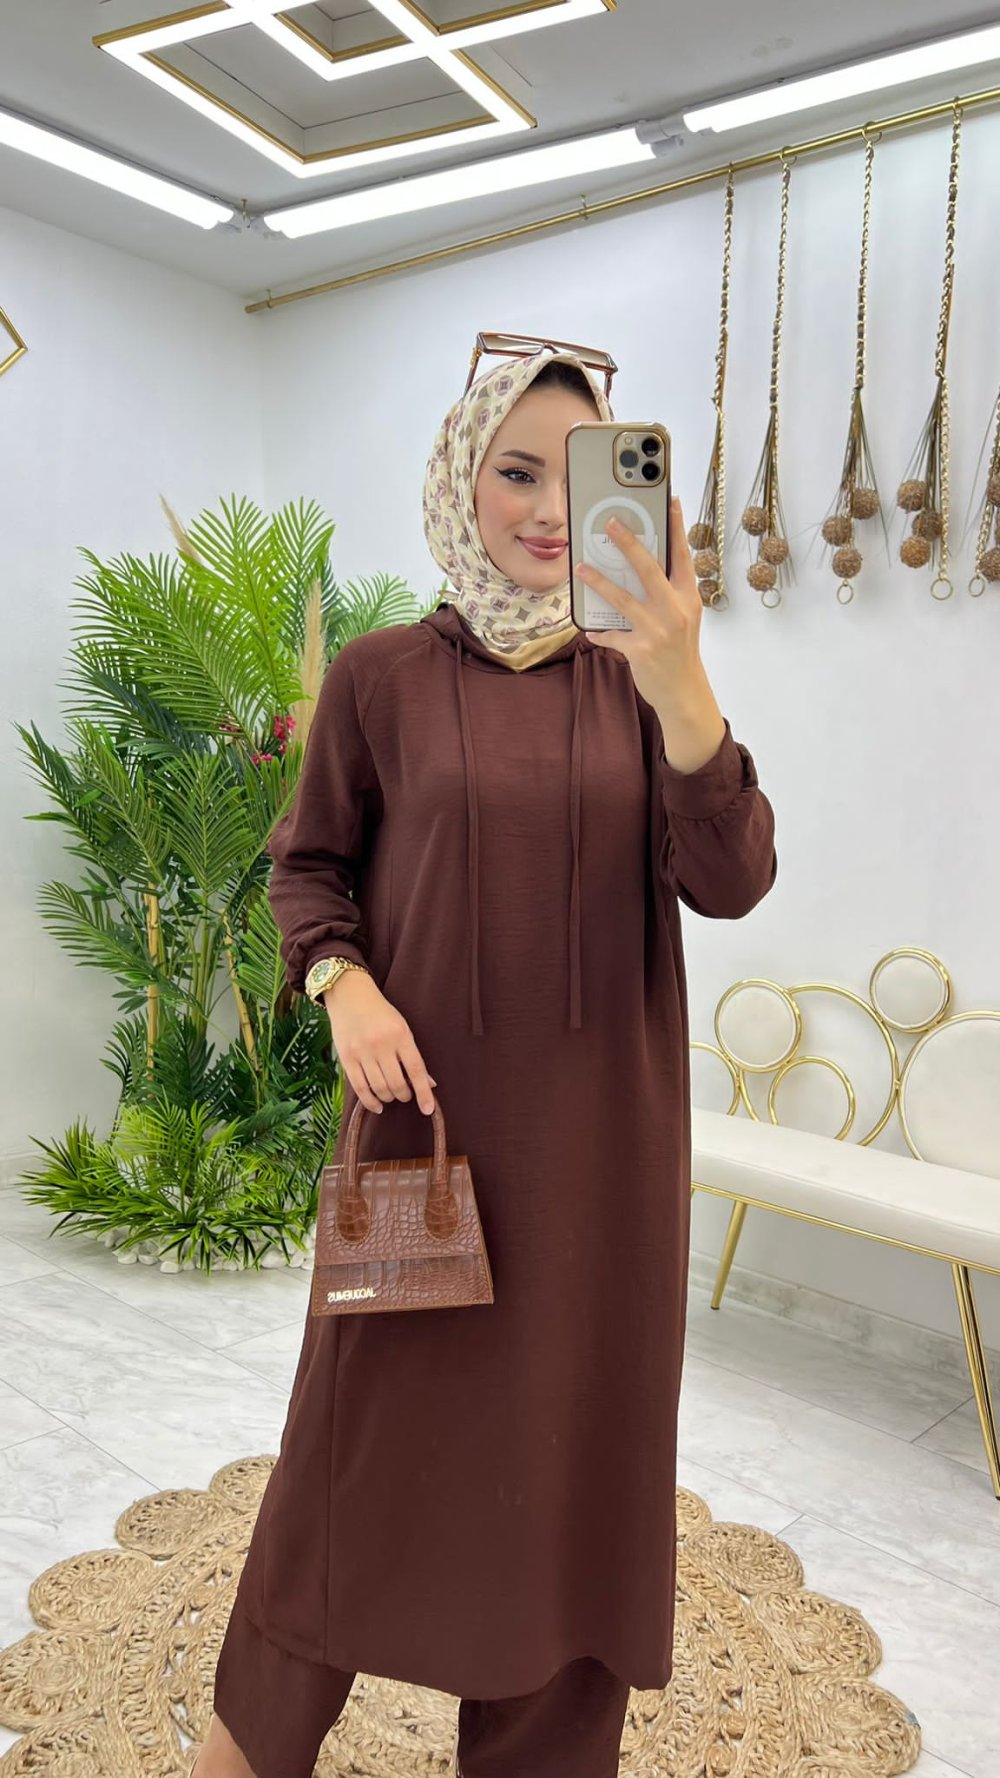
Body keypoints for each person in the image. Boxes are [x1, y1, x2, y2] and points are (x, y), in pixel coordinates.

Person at [193, 344, 778, 1778]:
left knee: (577, 1481)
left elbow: (734, 879)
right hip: (424, 1146)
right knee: (344, 1466)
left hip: (603, 1171)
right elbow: (307, 867)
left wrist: (683, 681)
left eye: (575, 475)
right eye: (515, 471)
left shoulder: (645, 684)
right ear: (462, 477)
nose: (547, 508)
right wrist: (343, 986)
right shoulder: (382, 677)